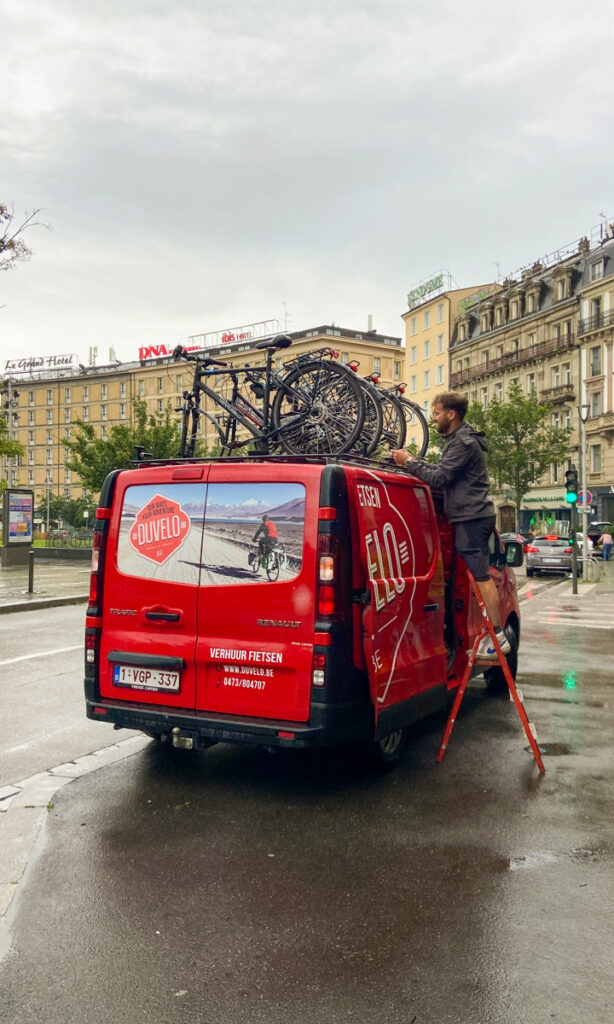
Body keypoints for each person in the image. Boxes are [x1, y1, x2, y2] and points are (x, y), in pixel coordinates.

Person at [391, 391, 511, 662]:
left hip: (471, 517)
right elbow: (444, 471)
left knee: (482, 577)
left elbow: (441, 478)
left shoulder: (463, 443)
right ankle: (494, 636)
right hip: (470, 515)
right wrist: (415, 462)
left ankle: (497, 637)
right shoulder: (461, 440)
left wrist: (409, 463)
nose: (434, 418)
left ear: (451, 414)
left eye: (436, 413)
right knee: (479, 576)